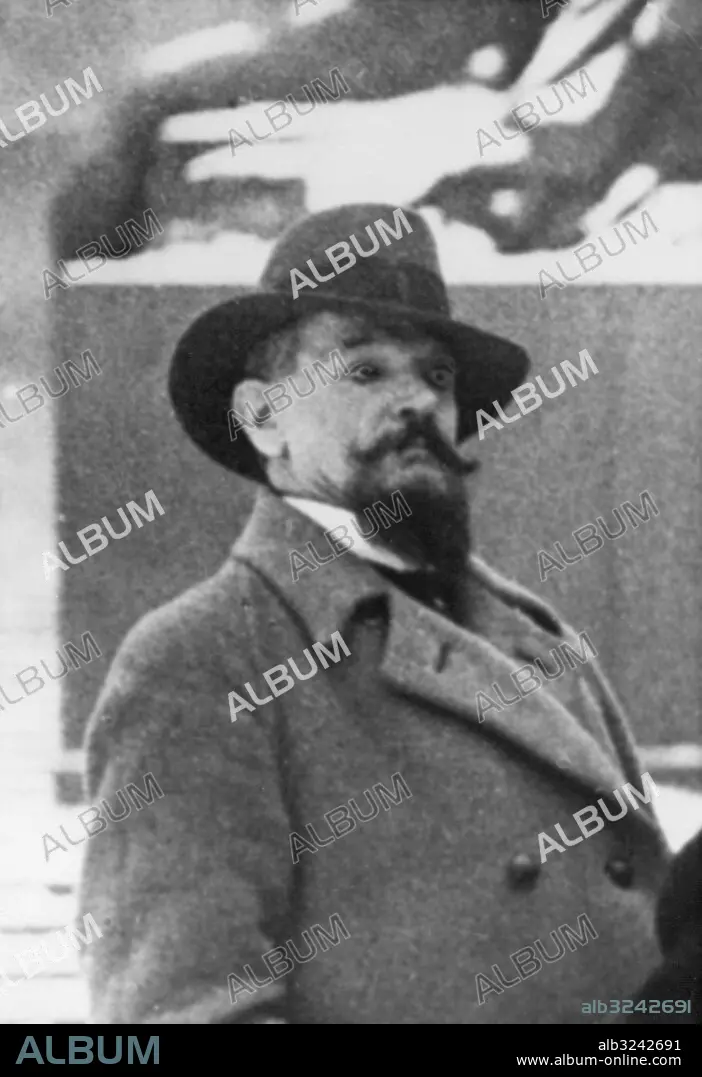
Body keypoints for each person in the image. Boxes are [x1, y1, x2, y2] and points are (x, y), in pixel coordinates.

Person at [79, 202, 670, 1024]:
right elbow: (188, 1005)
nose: (417, 400)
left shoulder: (539, 638)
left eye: (437, 376)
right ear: (264, 416)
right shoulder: (205, 656)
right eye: (365, 371)